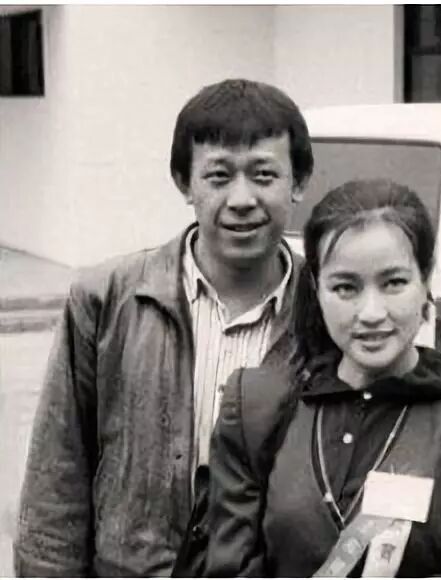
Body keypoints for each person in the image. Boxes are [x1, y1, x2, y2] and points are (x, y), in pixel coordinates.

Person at [14, 78, 314, 576]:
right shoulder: (108, 299)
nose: (242, 198)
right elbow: (57, 479)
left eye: (264, 175)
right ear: (184, 183)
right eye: (218, 176)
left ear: (298, 181)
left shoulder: (325, 311)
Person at [204, 179, 441, 577]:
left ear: (426, 279)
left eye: (394, 283)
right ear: (316, 288)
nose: (371, 313)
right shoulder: (257, 408)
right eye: (345, 287)